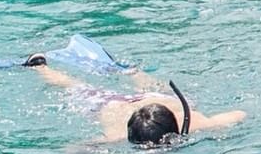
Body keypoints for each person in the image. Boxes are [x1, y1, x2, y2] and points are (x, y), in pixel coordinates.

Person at [24, 53, 245, 146]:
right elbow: (78, 150)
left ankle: (40, 66)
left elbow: (240, 115)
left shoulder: (195, 122)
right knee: (75, 86)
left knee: (76, 87)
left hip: (135, 101)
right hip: (113, 104)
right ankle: (40, 67)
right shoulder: (116, 136)